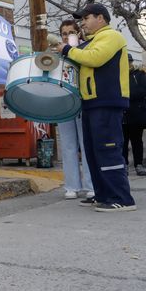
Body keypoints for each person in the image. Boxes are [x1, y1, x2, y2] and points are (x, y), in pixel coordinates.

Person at [54, 3, 135, 212]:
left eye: (86, 18)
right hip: (91, 102)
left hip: (107, 100)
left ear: (101, 18)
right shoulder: (91, 41)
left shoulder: (111, 37)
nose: (83, 23)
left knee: (108, 150)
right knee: (92, 151)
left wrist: (68, 49)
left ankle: (121, 198)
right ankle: (103, 194)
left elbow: (95, 58)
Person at [56, 20, 94, 200]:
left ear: (79, 33)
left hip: (82, 100)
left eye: (71, 32)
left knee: (86, 144)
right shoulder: (58, 53)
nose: (67, 35)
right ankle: (71, 186)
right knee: (68, 145)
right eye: (64, 33)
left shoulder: (85, 50)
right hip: (63, 102)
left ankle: (90, 185)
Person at [123, 54, 146, 177]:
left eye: (128, 61)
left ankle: (139, 164)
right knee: (123, 142)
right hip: (122, 114)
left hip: (136, 114)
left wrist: (126, 95)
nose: (126, 63)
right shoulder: (117, 75)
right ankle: (124, 165)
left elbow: (144, 90)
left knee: (137, 141)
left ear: (131, 62)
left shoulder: (139, 74)